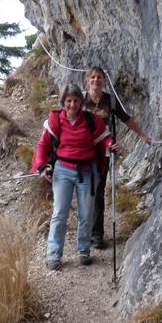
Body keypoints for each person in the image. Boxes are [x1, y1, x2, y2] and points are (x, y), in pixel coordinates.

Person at [31, 84, 118, 270]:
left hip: (87, 170)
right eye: (68, 100)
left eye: (76, 100)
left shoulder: (90, 119)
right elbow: (42, 146)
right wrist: (41, 167)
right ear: (63, 102)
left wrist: (111, 145)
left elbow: (105, 137)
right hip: (62, 171)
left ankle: (84, 251)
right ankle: (54, 255)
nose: (72, 104)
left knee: (86, 213)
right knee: (60, 212)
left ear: (81, 102)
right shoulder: (55, 121)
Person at [83, 66, 151, 249]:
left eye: (99, 77)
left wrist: (142, 135)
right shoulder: (81, 99)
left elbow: (126, 119)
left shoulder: (110, 100)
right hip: (81, 153)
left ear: (104, 81)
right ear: (88, 80)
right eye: (93, 77)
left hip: (102, 152)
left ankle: (97, 234)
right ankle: (84, 233)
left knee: (98, 192)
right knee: (84, 193)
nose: (96, 80)